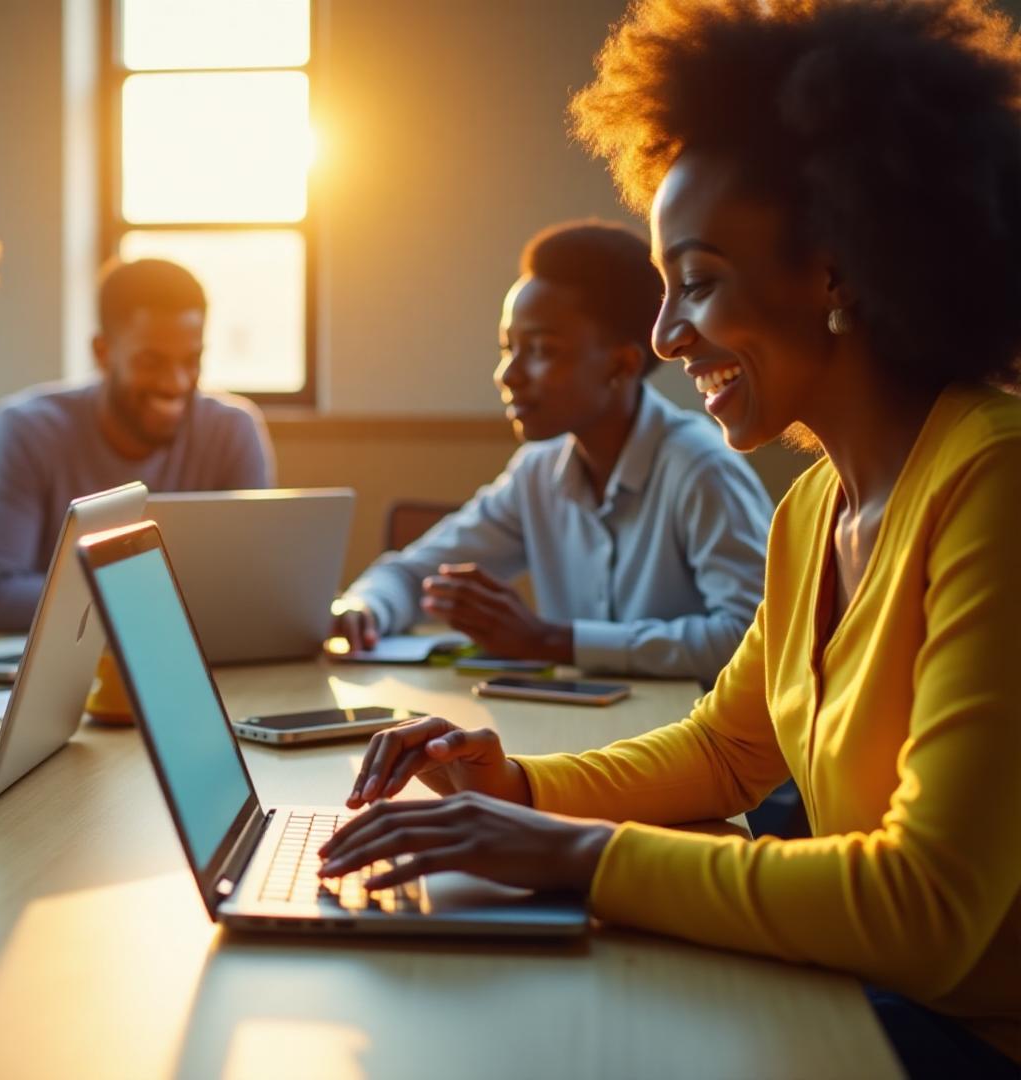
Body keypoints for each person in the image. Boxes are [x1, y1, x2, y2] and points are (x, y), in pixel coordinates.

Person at [318, 1, 1021, 1073]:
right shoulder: (815, 509)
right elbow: (725, 751)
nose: (662, 336)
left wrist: (574, 855)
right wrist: (516, 789)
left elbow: (922, 908)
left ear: (836, 271)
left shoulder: (996, 480)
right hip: (878, 999)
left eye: (695, 282)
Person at [330, 220, 771, 684]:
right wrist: (364, 607)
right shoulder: (537, 473)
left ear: (621, 365)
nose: (509, 375)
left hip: (688, 744)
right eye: (508, 347)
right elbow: (411, 573)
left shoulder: (699, 469)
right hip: (580, 736)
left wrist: (551, 640)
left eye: (540, 350)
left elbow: (753, 638)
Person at [0, 257, 275, 635]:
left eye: (191, 361)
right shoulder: (26, 429)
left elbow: (255, 587)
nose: (175, 383)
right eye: (151, 362)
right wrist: (149, 600)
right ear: (102, 351)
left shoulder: (233, 429)